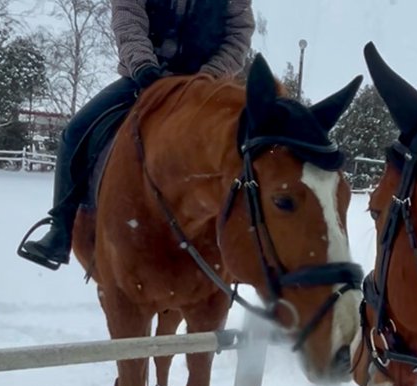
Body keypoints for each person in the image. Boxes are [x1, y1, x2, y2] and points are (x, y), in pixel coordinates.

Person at [18, 0, 255, 271]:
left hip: (204, 86)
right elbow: (128, 16)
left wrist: (209, 76)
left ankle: (253, 239)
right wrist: (143, 65)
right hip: (144, 78)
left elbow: (239, 33)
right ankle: (61, 230)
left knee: (252, 144)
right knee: (74, 133)